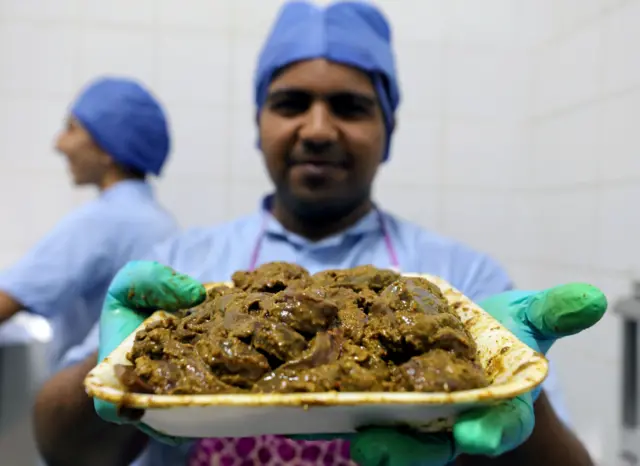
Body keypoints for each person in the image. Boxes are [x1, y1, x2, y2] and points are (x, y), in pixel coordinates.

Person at [32, 2, 605, 466]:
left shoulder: (466, 283)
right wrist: (115, 372)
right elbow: (63, 450)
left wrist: (513, 393)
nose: (318, 129)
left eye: (350, 107)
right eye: (291, 103)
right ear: (259, 125)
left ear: (388, 130)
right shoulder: (180, 264)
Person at [0, 77, 178, 371]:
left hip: (85, 402)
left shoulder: (104, 220)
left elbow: (7, 299)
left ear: (108, 149)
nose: (59, 143)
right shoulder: (160, 220)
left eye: (71, 129)